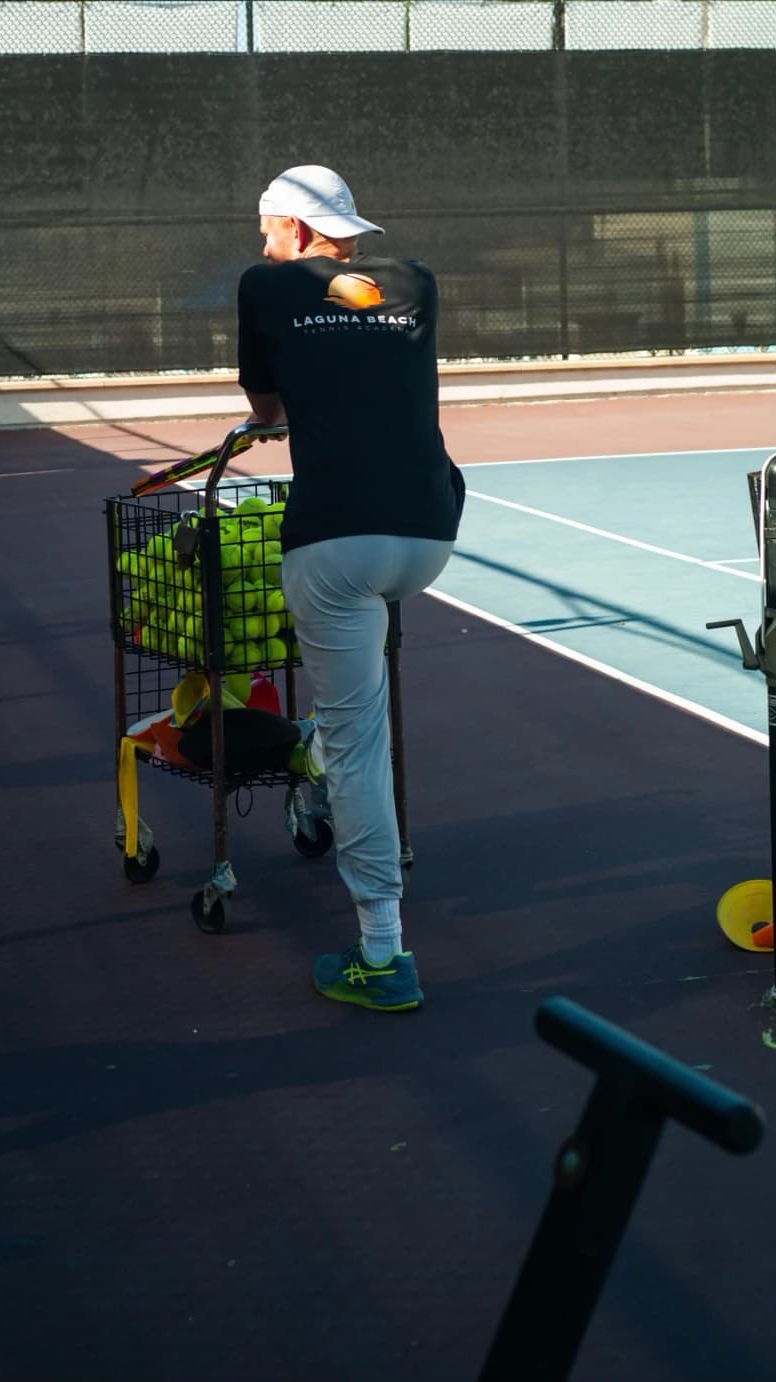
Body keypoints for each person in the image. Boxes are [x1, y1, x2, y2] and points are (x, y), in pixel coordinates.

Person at [237, 164, 464, 1012]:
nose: (263, 244)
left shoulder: (264, 285)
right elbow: (369, 355)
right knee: (356, 711)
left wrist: (278, 416)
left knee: (359, 742)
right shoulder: (416, 282)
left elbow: (268, 409)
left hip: (335, 541)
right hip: (429, 532)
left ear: (296, 230)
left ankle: (381, 952)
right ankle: (317, 748)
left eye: (269, 228)